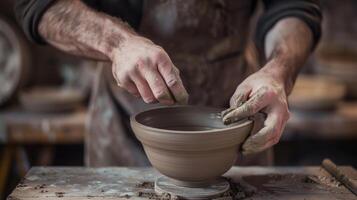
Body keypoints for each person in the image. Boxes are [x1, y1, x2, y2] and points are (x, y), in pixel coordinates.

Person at [15, 0, 321, 166]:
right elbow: (38, 6)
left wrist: (278, 70)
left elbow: (293, 6)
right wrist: (117, 44)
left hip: (239, 124)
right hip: (127, 126)